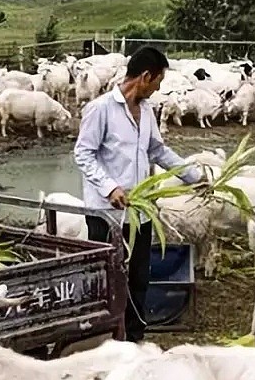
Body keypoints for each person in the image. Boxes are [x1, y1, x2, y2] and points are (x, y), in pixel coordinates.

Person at [73, 46, 203, 342]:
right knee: (107, 278)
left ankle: (134, 337)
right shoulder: (100, 109)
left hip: (140, 211)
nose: (157, 89)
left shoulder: (146, 111)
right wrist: (110, 188)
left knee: (138, 277)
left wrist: (193, 176)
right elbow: (83, 154)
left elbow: (157, 149)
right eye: (157, 82)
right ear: (145, 76)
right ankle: (104, 336)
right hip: (107, 214)